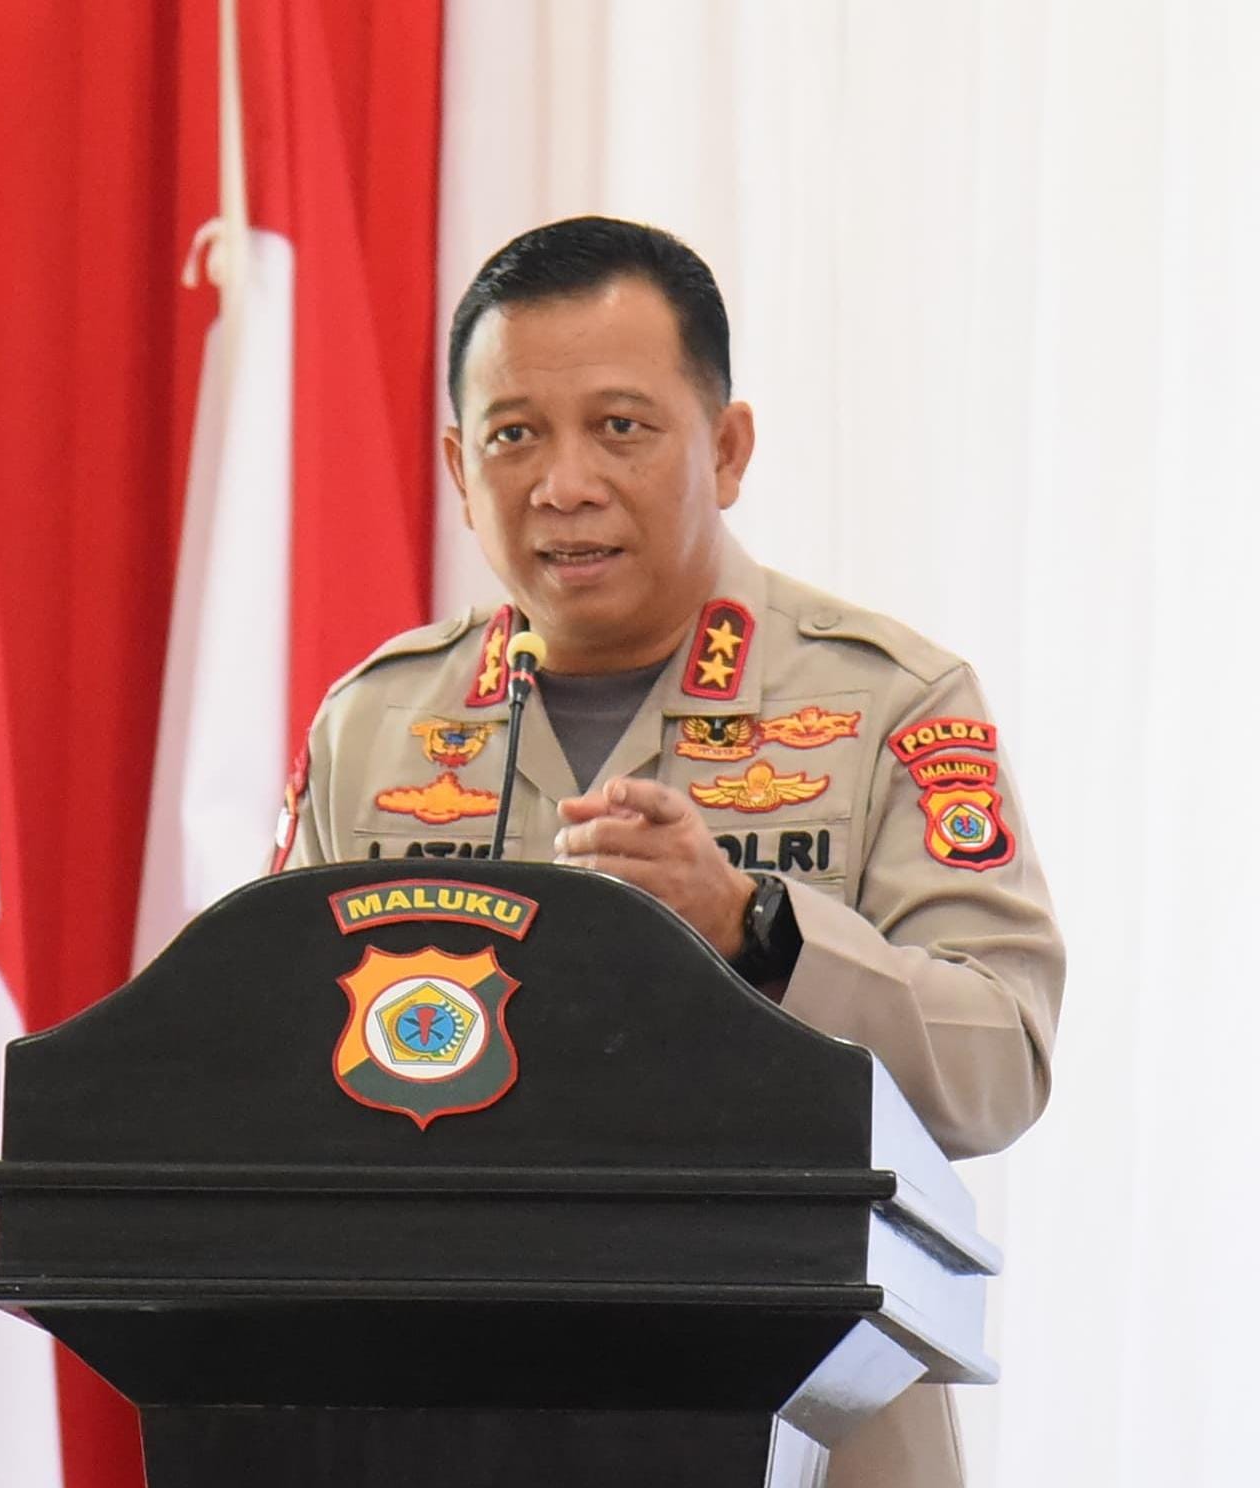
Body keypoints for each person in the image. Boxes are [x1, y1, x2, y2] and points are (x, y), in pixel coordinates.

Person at [273, 216, 1064, 1486]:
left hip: (805, 1419)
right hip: (440, 1415)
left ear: (728, 448)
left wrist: (760, 929)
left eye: (620, 427)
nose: (563, 484)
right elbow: (270, 1063)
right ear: (458, 467)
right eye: (513, 435)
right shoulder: (374, 723)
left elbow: (998, 1062)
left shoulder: (890, 701)